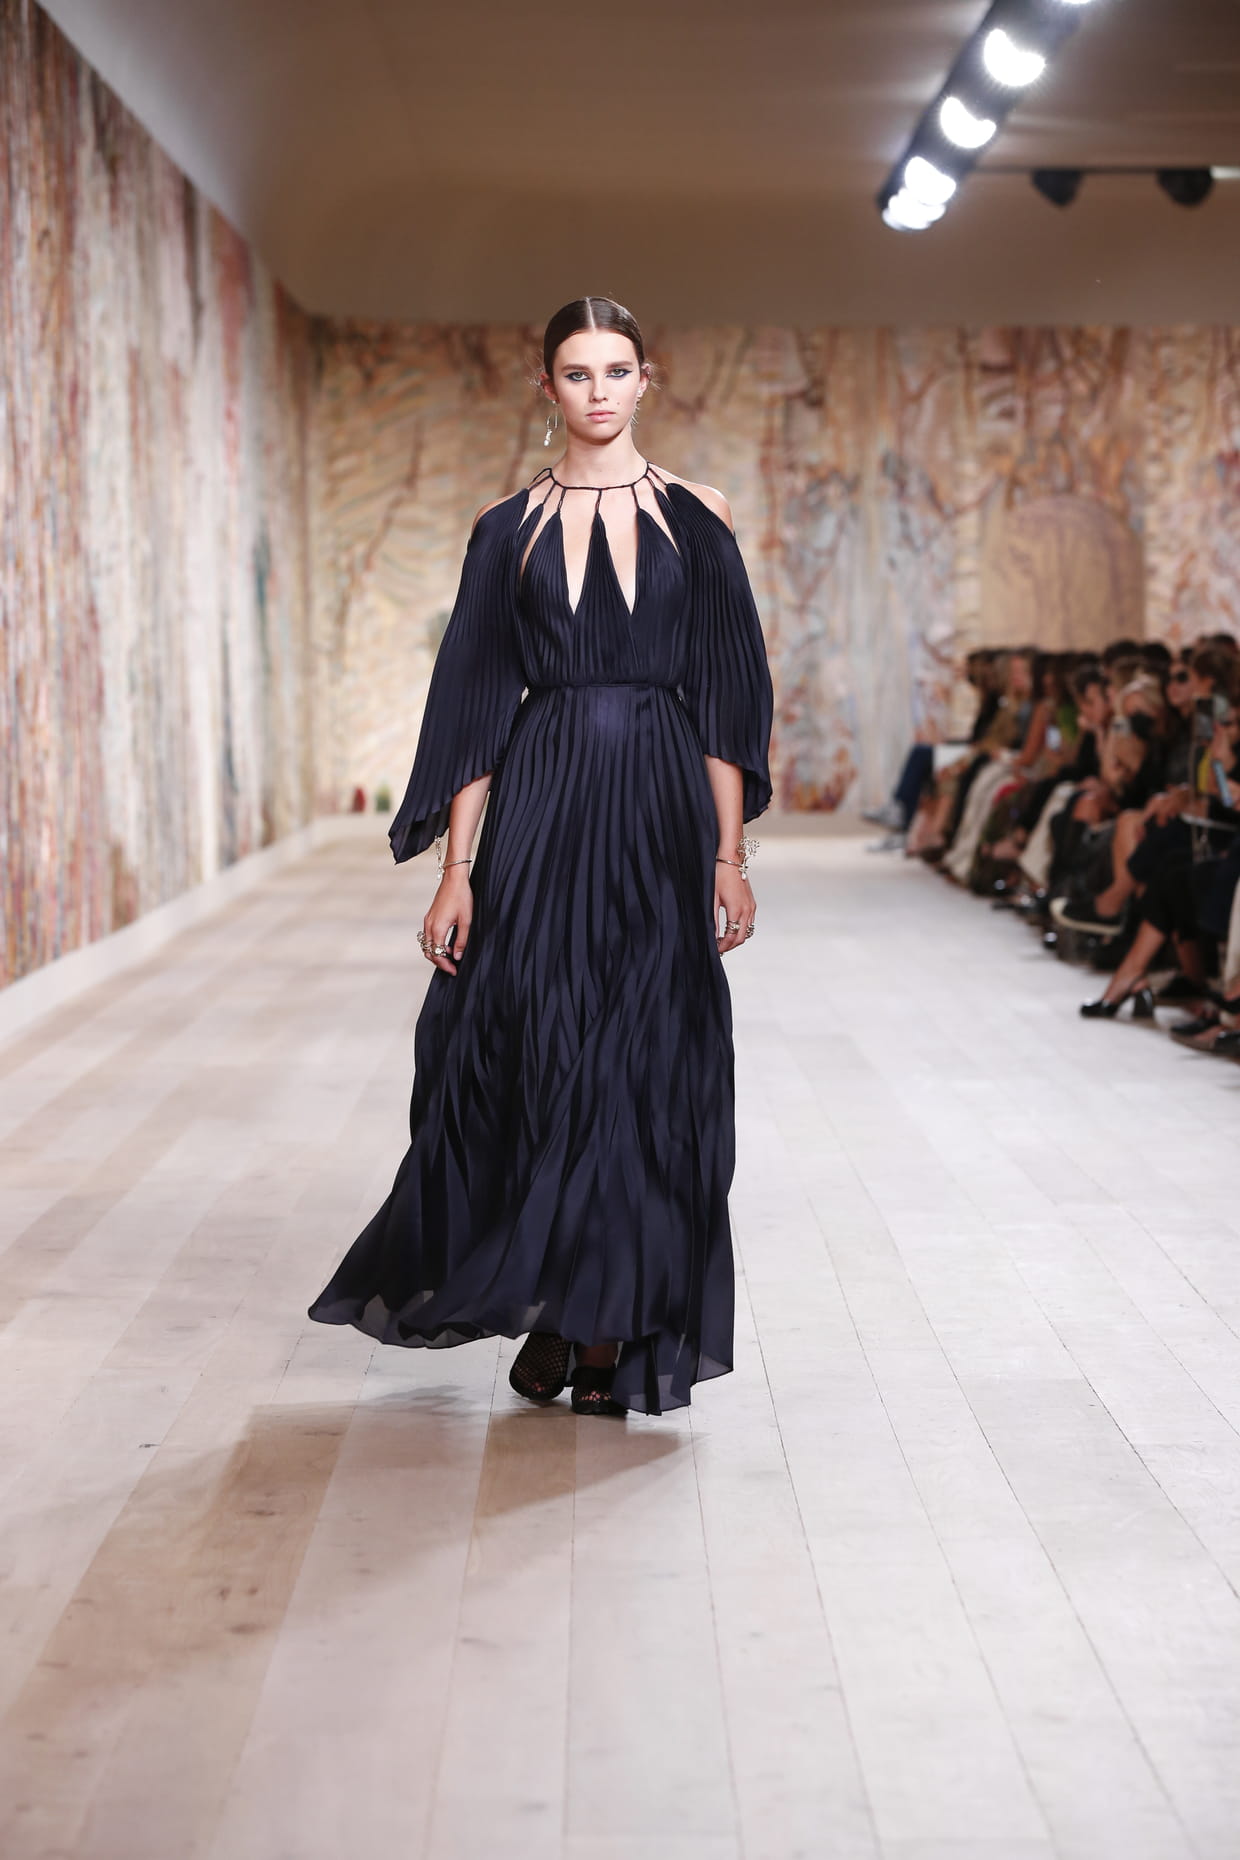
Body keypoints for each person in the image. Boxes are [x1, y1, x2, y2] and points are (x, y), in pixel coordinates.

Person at [308, 297, 773, 1418]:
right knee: (528, 1050)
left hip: (659, 807)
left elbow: (726, 696)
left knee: (642, 1064)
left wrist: (730, 855)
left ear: (647, 379)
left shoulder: (701, 517)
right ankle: (558, 1301)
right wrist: (456, 871)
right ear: (547, 385)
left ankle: (600, 1321)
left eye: (616, 370)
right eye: (577, 372)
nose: (598, 391)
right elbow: (472, 707)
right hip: (543, 802)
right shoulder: (504, 529)